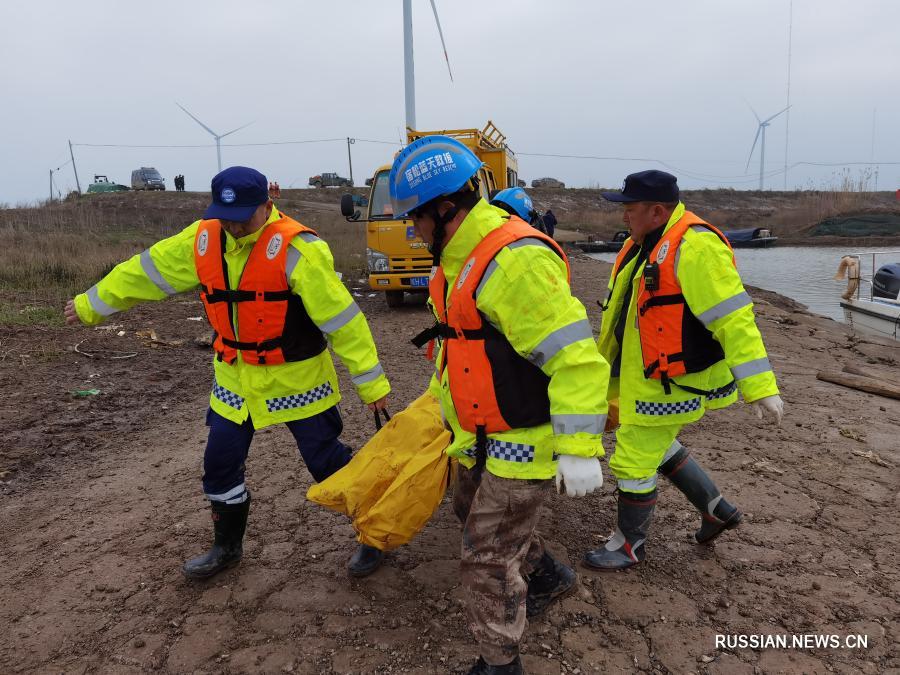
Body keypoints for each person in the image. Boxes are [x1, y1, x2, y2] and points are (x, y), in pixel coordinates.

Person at [65, 166, 391, 580]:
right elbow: (143, 272)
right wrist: (90, 305)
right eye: (226, 217)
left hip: (297, 381)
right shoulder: (201, 239)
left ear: (268, 206)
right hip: (236, 380)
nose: (234, 227)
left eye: (243, 218)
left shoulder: (299, 250)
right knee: (219, 464)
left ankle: (377, 531)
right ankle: (226, 547)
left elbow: (344, 322)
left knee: (326, 461)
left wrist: (372, 384)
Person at [390, 137, 609, 675]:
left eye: (413, 220)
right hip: (480, 433)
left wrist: (580, 448)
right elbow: (462, 352)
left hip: (524, 438)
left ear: (445, 209)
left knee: (484, 560)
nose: (412, 232)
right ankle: (548, 576)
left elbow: (576, 358)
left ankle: (500, 664)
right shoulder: (457, 261)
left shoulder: (512, 263)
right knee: (470, 513)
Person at [583, 170, 783, 571]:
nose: (624, 216)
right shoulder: (643, 244)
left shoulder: (695, 247)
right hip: (638, 374)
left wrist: (760, 387)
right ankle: (716, 509)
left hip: (670, 381)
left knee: (633, 460)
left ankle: (629, 545)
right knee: (653, 442)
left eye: (630, 209)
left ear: (657, 211)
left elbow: (733, 319)